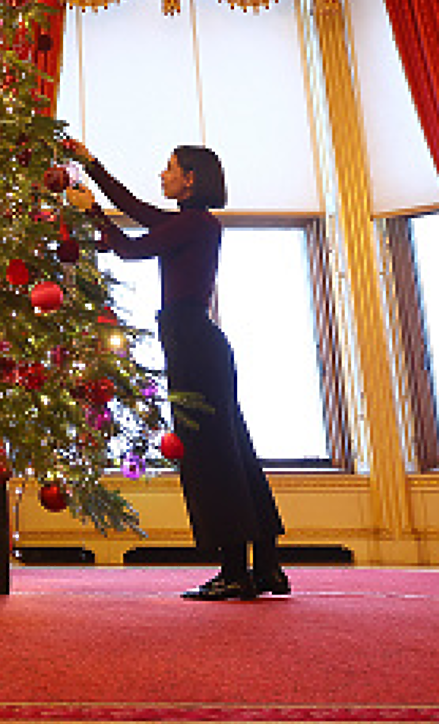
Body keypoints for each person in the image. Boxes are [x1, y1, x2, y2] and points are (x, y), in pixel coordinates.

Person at [65, 142, 287, 601]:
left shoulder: (195, 224)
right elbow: (132, 207)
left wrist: (93, 215)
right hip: (199, 343)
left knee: (211, 456)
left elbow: (129, 249)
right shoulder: (191, 222)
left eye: (170, 169)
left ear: (191, 178)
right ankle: (266, 568)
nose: (161, 175)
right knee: (235, 453)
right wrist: (89, 165)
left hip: (192, 345)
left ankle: (235, 572)